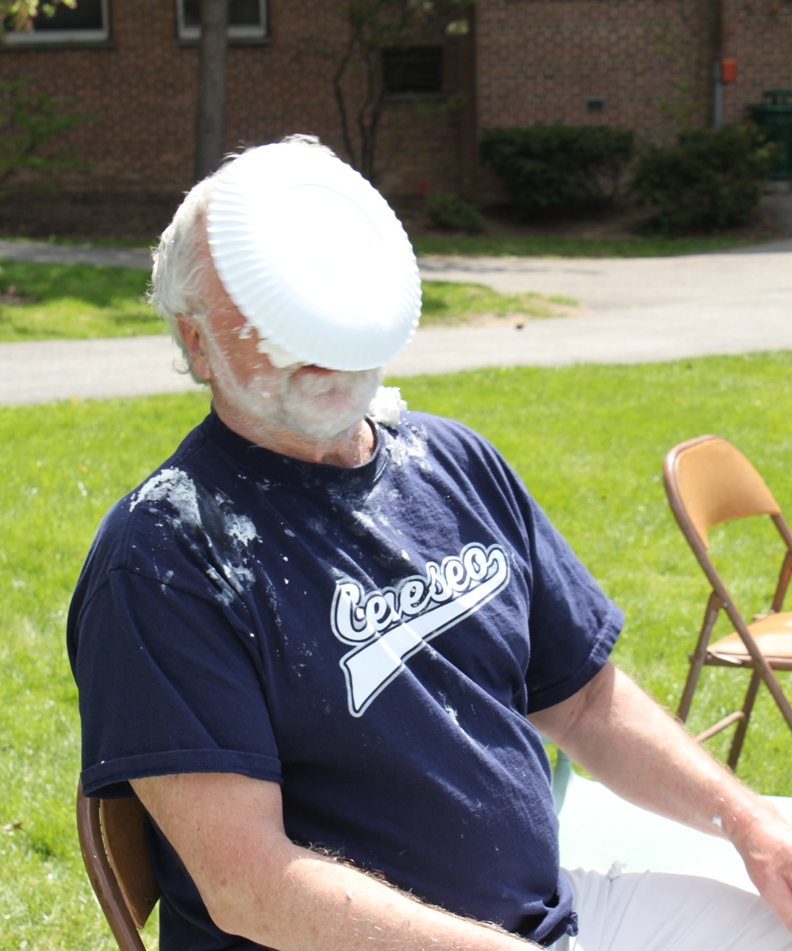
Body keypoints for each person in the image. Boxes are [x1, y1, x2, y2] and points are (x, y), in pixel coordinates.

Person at [68, 136, 792, 951]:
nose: (311, 324)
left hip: (547, 911)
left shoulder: (452, 460)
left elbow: (585, 701)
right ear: (196, 342)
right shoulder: (165, 554)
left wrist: (754, 825)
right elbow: (249, 884)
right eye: (268, 297)